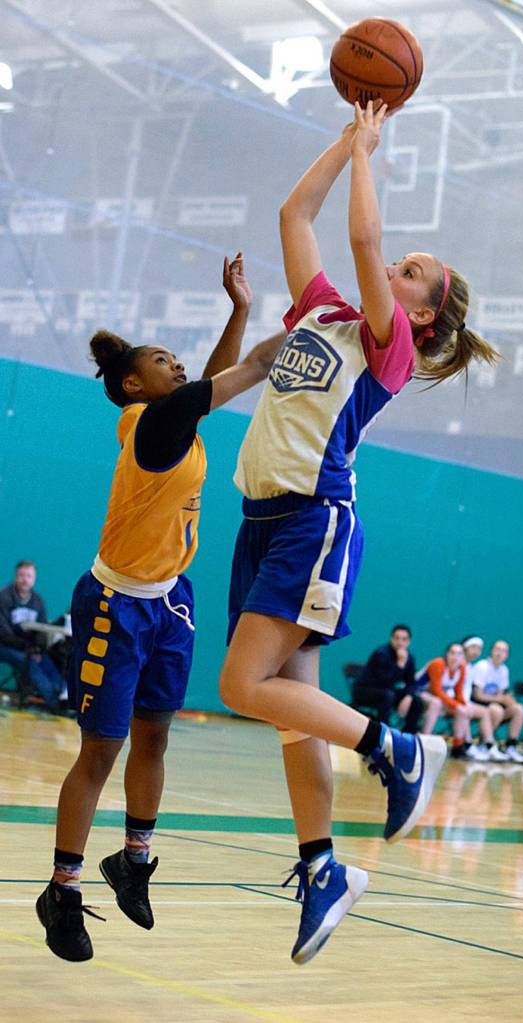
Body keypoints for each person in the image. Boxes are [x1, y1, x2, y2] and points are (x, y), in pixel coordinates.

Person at [218, 100, 499, 966]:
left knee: (239, 684)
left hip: (313, 520)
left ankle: (398, 747)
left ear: (420, 314)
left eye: (412, 271)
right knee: (290, 714)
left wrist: (370, 151)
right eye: (401, 261)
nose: (394, 263)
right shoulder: (322, 312)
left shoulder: (388, 345)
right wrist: (344, 142)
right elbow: (293, 214)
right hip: (262, 522)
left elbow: (362, 237)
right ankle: (322, 869)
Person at [36, 254, 286, 963]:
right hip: (114, 605)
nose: (176, 365)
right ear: (131, 385)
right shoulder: (151, 426)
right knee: (101, 750)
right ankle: (61, 890)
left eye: (178, 360)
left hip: (170, 600)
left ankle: (134, 858)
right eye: (161, 360)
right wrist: (323, 322)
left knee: (155, 737)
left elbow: (213, 380)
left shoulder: (175, 417)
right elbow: (253, 367)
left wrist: (239, 309)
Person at [422, 643, 506, 762]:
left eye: (459, 654)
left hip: (440, 699)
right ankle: (424, 741)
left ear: (463, 656)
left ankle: (460, 747)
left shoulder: (461, 669)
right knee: (437, 703)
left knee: (463, 711)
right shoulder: (438, 664)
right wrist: (457, 705)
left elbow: (458, 693)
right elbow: (436, 691)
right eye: (452, 653)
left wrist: (463, 706)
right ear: (447, 654)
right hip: (419, 693)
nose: (455, 657)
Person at [0, 560, 66, 712]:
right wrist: (26, 647)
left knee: (47, 662)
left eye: (28, 576)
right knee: (30, 663)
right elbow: (3, 632)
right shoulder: (4, 597)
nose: (25, 579)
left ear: (34, 579)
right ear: (16, 576)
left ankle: (64, 697)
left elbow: (42, 629)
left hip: (28, 648)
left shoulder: (37, 601)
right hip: (6, 646)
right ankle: (54, 704)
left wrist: (38, 648)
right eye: (21, 575)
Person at [352, 624, 426, 733]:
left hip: (387, 692)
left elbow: (411, 682)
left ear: (409, 642)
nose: (400, 642)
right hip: (364, 691)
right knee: (388, 695)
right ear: (391, 639)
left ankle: (408, 734)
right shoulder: (381, 654)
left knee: (416, 701)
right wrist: (399, 665)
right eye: (397, 638)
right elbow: (383, 682)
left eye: (404, 639)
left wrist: (409, 696)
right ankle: (383, 732)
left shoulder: (409, 658)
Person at [471, 640, 523, 763]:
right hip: (478, 705)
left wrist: (508, 701)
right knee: (496, 710)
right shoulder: (482, 666)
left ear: (507, 655)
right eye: (497, 649)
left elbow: (500, 695)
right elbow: (477, 695)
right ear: (491, 651)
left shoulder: (504, 670)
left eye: (504, 651)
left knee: (519, 709)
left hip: (495, 705)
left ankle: (511, 746)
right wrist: (500, 699)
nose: (500, 653)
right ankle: (484, 744)